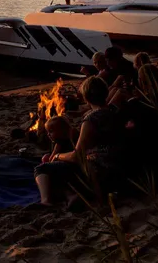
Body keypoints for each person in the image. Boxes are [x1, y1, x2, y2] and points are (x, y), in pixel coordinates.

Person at [34, 77, 126, 205]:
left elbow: (76, 156)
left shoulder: (91, 120)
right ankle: (70, 196)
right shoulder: (115, 111)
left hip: (100, 173)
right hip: (122, 168)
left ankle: (46, 201)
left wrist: (57, 156)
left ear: (86, 97)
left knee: (42, 169)